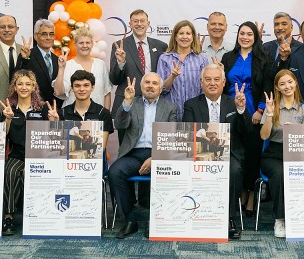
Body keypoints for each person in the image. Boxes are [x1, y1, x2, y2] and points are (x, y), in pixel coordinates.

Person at [182, 63, 250, 240]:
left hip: (228, 153)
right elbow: (188, 133)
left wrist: (241, 110)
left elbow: (247, 132)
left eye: (216, 79)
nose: (212, 83)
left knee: (234, 171)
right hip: (199, 153)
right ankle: (191, 213)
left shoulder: (233, 102)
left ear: (223, 82)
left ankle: (229, 218)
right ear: (201, 82)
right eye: (208, 79)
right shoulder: (190, 104)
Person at [110, 72, 179, 239]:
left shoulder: (170, 108)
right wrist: (126, 102)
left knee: (169, 175)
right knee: (114, 172)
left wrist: (155, 157)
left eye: (155, 83)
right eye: (147, 82)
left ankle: (157, 222)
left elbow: (171, 137)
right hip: (133, 155)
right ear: (141, 87)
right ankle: (130, 220)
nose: (150, 86)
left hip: (159, 154)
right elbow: (119, 125)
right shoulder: (131, 103)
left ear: (161, 88)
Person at [0, 69, 59, 236]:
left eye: (28, 84)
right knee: (10, 172)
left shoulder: (43, 108)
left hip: (40, 157)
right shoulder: (9, 108)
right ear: (14, 87)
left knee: (31, 174)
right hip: (17, 155)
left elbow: (55, 138)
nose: (24, 87)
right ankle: (8, 217)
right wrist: (8, 119)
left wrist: (54, 122)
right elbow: (2, 136)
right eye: (20, 84)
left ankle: (37, 215)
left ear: (34, 87)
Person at [259, 69, 304, 238]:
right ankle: (280, 219)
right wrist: (269, 114)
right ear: (277, 87)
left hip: (299, 153)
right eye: (282, 84)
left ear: (296, 83)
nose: (287, 86)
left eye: (290, 82)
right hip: (274, 153)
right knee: (280, 174)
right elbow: (264, 136)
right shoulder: (273, 108)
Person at [221, 21, 272, 212]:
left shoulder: (263, 58)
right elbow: (223, 86)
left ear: (255, 37)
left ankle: (251, 195)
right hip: (232, 111)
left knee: (252, 154)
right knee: (236, 153)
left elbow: (267, 85)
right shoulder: (228, 57)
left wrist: (260, 111)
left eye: (249, 34)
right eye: (242, 33)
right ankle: (240, 192)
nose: (245, 37)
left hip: (253, 113)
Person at [109, 9, 168, 116]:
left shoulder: (161, 46)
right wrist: (120, 62)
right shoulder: (119, 46)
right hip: (127, 100)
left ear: (148, 24)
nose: (139, 24)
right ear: (130, 24)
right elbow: (114, 80)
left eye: (142, 21)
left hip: (152, 101)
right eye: (135, 21)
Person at [157, 19, 209, 119]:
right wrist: (172, 77)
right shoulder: (164, 59)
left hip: (195, 114)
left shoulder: (202, 59)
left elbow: (205, 90)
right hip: (171, 113)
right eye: (181, 33)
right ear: (175, 37)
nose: (185, 37)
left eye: (188, 33)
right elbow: (160, 89)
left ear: (193, 37)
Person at [55, 25, 110, 109]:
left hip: (97, 117)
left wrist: (106, 116)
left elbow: (107, 93)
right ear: (75, 45)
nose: (85, 46)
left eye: (88, 42)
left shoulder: (101, 65)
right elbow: (59, 92)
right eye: (81, 43)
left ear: (92, 44)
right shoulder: (68, 65)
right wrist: (61, 69)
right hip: (72, 117)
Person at [59, 70, 114, 150]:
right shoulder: (63, 113)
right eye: (77, 86)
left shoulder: (103, 113)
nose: (82, 89)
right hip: (67, 160)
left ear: (92, 88)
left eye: (86, 85)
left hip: (93, 160)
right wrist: (53, 122)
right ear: (72, 88)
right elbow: (60, 146)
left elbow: (101, 149)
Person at [17, 19, 59, 110]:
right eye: (44, 34)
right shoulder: (28, 55)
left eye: (51, 34)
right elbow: (16, 78)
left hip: (54, 109)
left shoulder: (57, 59)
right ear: (36, 36)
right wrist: (24, 59)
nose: (48, 37)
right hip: (34, 108)